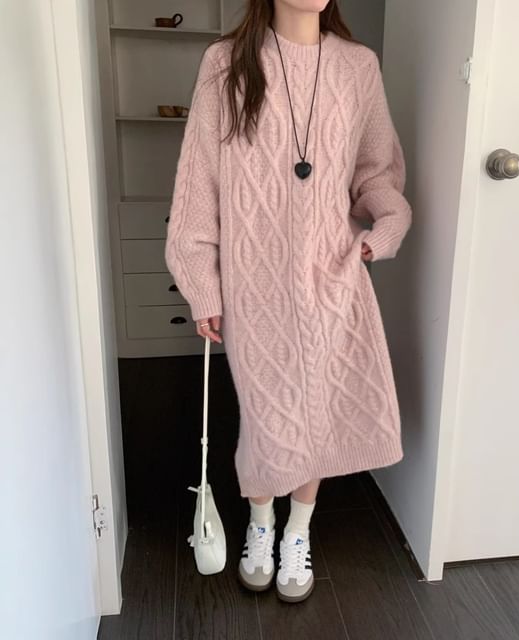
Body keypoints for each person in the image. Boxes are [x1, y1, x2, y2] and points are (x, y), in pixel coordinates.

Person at [165, 0, 412, 603]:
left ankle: (297, 531)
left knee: (317, 407)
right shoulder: (226, 64)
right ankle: (260, 522)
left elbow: (376, 171)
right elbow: (199, 186)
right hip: (254, 282)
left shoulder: (358, 66)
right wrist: (202, 282)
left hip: (331, 275)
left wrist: (383, 228)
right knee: (266, 413)